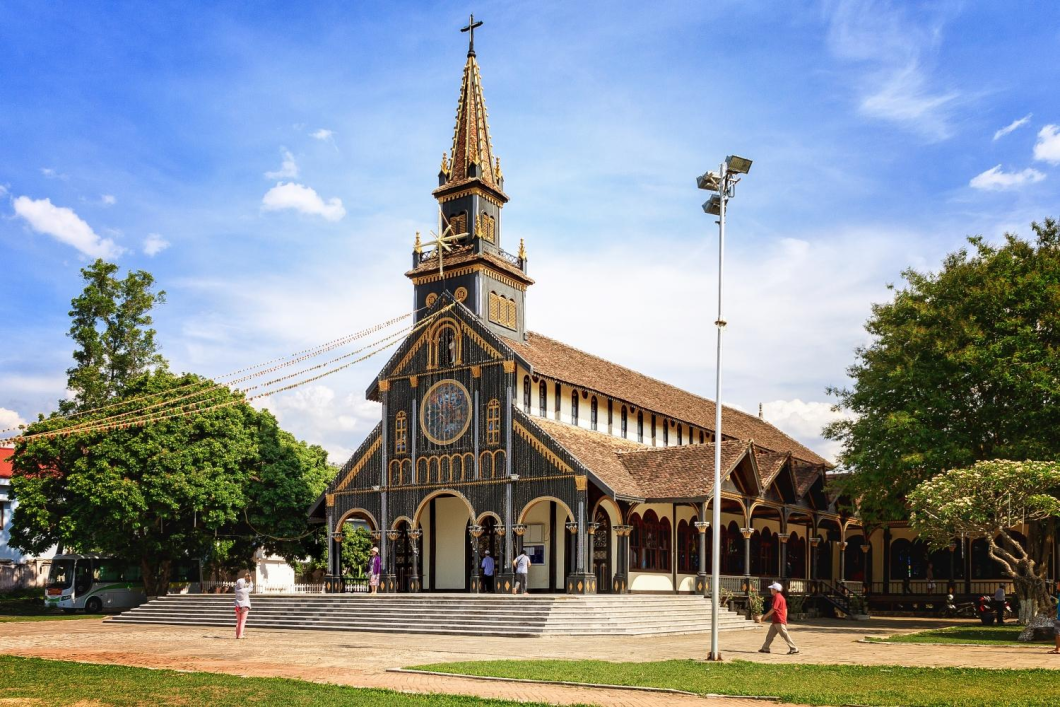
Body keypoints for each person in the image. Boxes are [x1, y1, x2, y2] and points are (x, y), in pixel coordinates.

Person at [756, 581, 799, 655]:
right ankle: (765, 648)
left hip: (779, 620)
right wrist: (785, 619)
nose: (771, 590)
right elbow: (785, 609)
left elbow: (774, 609)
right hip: (777, 620)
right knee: (770, 635)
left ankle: (794, 648)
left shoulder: (777, 597)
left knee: (785, 635)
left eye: (772, 589)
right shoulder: (781, 597)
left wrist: (765, 616)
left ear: (775, 590)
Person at [233, 572, 253, 639]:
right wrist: (250, 580)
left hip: (237, 607)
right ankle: (240, 635)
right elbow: (251, 587)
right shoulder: (245, 590)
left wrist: (244, 578)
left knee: (238, 622)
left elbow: (238, 584)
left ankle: (237, 634)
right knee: (242, 621)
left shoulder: (236, 590)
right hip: (244, 607)